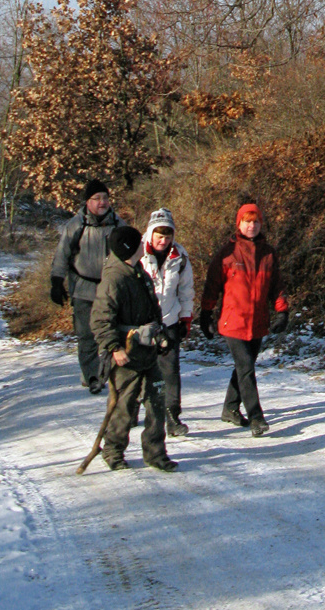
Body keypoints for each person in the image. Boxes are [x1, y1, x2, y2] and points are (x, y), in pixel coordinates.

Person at [89, 225, 178, 472]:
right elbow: (99, 320)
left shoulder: (138, 273)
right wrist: (114, 348)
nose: (143, 245)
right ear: (128, 248)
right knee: (124, 406)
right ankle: (113, 450)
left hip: (147, 351)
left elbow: (153, 309)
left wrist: (160, 334)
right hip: (126, 354)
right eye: (138, 242)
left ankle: (155, 453)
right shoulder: (114, 279)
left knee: (156, 401)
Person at [199, 202, 289, 437]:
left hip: (258, 321)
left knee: (243, 367)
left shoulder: (268, 253)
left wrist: (282, 311)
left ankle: (230, 408)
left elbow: (276, 285)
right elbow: (212, 286)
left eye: (256, 221)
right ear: (238, 224)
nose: (252, 225)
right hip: (233, 321)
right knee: (246, 367)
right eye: (247, 221)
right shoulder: (227, 253)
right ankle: (256, 417)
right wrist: (205, 313)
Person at [50, 179, 124, 393]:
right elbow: (62, 255)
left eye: (105, 198)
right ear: (88, 202)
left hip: (111, 289)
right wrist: (56, 281)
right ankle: (92, 376)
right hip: (82, 288)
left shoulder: (119, 225)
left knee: (113, 333)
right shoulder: (76, 224)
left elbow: (133, 253)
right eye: (97, 198)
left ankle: (113, 373)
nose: (102, 202)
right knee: (86, 335)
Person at [139, 208, 195, 437]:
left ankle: (173, 416)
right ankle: (137, 405)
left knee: (171, 371)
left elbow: (186, 290)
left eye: (168, 236)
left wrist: (185, 319)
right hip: (142, 323)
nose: (163, 241)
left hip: (169, 320)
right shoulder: (137, 255)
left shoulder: (180, 257)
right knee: (140, 369)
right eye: (159, 236)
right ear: (150, 234)